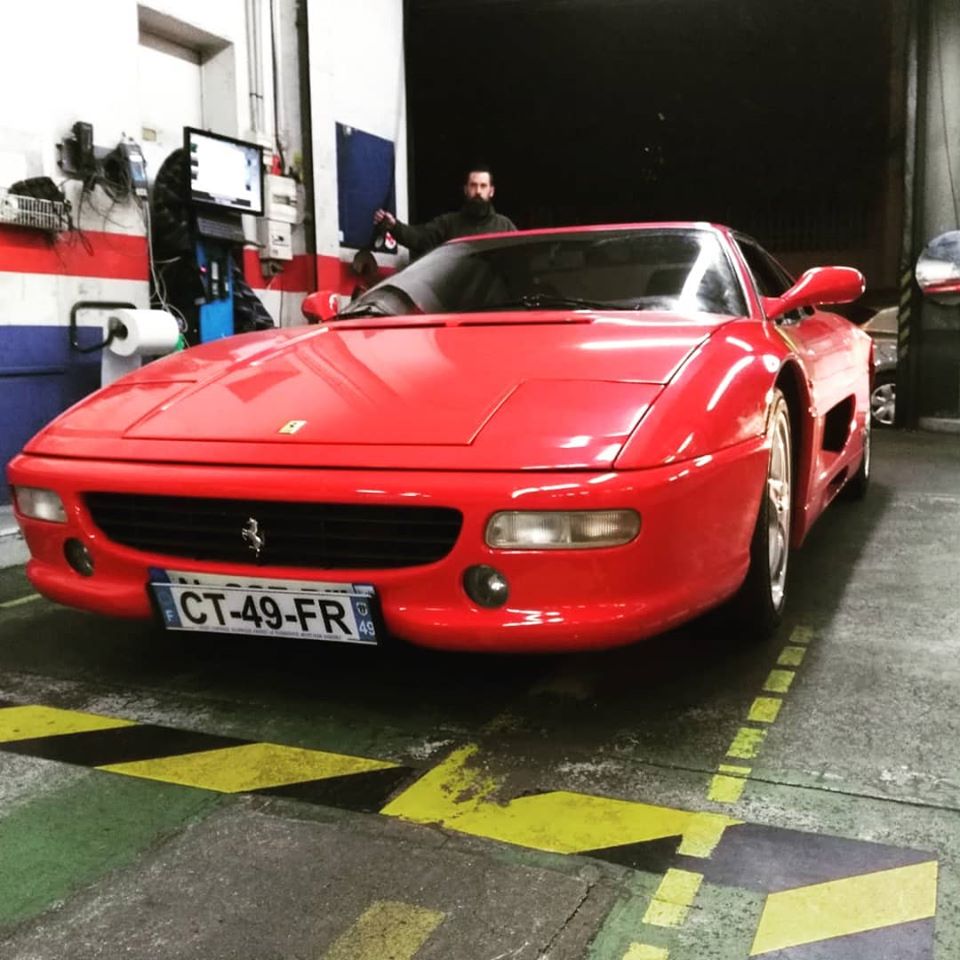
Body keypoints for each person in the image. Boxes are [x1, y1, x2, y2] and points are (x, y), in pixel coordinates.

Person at [373, 166, 516, 256]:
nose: (478, 191)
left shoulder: (504, 226)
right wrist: (394, 226)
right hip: (458, 299)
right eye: (473, 185)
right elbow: (420, 237)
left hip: (493, 301)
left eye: (483, 186)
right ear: (466, 190)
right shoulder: (448, 223)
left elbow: (520, 259)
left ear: (491, 191)